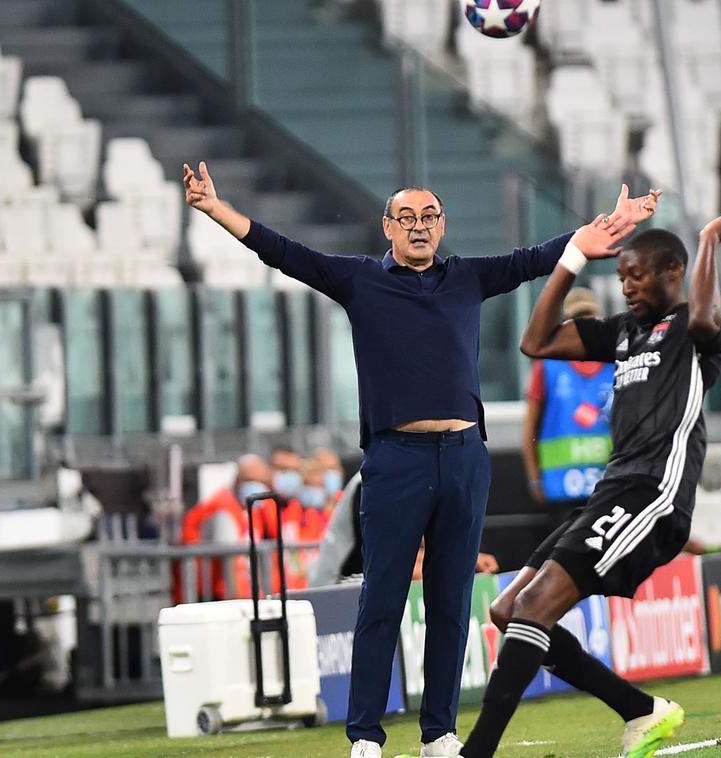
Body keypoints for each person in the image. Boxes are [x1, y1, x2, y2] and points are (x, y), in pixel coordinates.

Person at [183, 160, 659, 758]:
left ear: (442, 224)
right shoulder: (359, 280)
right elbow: (281, 251)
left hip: (465, 456)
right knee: (381, 598)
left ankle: (439, 733)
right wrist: (215, 207)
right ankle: (365, 736)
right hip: (395, 458)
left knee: (451, 603)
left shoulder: (466, 277)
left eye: (428, 216)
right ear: (387, 227)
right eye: (405, 217)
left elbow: (536, 257)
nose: (418, 226)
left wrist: (606, 229)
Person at [423, 211, 721, 758]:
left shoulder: (697, 333)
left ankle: (476, 752)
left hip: (654, 494)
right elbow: (536, 341)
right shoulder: (624, 333)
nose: (626, 286)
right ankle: (641, 711)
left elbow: (702, 315)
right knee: (508, 611)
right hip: (611, 490)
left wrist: (708, 241)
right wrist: (572, 258)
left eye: (637, 276)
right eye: (621, 276)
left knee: (534, 609)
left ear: (674, 270)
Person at [522, 287, 615, 527]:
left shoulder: (616, 364)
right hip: (560, 489)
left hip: (608, 485)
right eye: (578, 319)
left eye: (589, 318)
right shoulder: (547, 366)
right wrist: (534, 479)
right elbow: (530, 427)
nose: (584, 326)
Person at [308, 473, 499, 586]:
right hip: (337, 586)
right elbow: (394, 561)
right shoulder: (373, 482)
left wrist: (468, 559)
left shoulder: (423, 478)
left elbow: (425, 544)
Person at [176, 454, 274, 602]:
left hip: (244, 593)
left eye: (262, 481)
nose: (257, 485)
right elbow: (228, 560)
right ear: (237, 480)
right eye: (250, 480)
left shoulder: (252, 509)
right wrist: (233, 600)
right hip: (219, 595)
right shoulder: (223, 507)